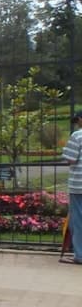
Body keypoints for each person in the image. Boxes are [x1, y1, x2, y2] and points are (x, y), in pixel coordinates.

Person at [62, 112, 82, 264]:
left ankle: (80, 255)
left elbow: (70, 158)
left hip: (79, 185)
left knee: (78, 220)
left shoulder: (77, 135)